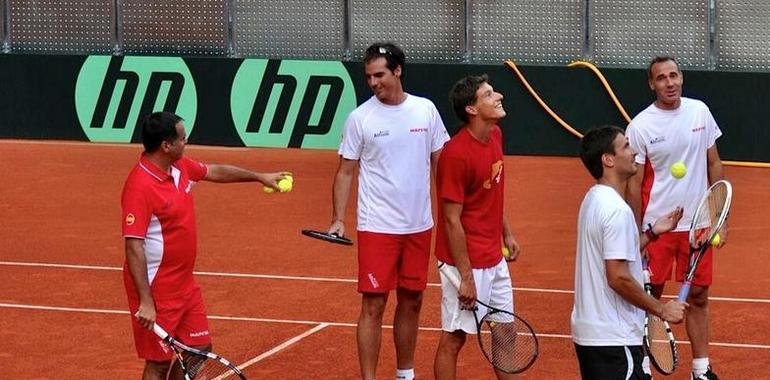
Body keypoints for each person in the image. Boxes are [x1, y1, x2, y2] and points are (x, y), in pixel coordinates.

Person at [122, 111, 287, 379]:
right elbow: (133, 246)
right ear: (166, 145)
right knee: (159, 363)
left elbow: (215, 171)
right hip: (157, 288)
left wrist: (259, 176)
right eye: (183, 139)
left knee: (199, 347)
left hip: (184, 284)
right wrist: (146, 300)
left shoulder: (179, 167)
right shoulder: (139, 186)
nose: (186, 143)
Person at [328, 42, 449, 380]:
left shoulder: (425, 110)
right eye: (368, 76)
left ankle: (404, 374)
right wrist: (339, 218)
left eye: (379, 74)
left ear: (398, 71)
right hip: (377, 226)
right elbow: (346, 171)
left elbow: (443, 164)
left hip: (418, 225)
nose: (373, 82)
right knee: (373, 305)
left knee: (412, 300)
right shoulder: (360, 118)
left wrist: (455, 214)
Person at [625, 56, 725, 380]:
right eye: (661, 78)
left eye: (673, 76)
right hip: (658, 228)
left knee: (698, 295)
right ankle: (642, 366)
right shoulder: (641, 125)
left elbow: (714, 164)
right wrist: (637, 233)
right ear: (651, 84)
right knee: (649, 297)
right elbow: (634, 182)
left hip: (696, 226)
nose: (669, 83)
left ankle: (701, 369)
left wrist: (718, 215)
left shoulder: (700, 111)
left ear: (681, 78)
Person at [572, 125, 688, 380]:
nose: (634, 151)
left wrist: (652, 233)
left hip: (593, 336)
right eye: (625, 146)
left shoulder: (593, 200)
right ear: (608, 159)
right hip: (614, 339)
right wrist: (662, 310)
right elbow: (618, 277)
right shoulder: (617, 211)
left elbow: (614, 255)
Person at [433, 74, 521, 380]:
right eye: (488, 95)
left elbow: (492, 190)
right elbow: (451, 219)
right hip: (464, 263)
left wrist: (506, 232)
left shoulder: (494, 134)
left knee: (505, 332)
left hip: (493, 258)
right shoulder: (456, 155)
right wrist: (466, 278)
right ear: (472, 109)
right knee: (455, 338)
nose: (498, 97)